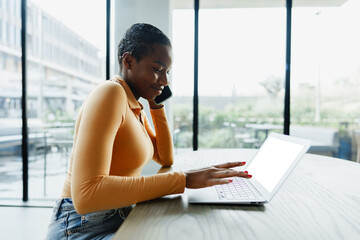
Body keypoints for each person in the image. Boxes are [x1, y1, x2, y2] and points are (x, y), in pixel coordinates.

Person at [45, 23, 252, 240]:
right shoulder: (110, 93)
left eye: (167, 72)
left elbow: (164, 157)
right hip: (83, 226)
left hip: (118, 215)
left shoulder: (133, 105)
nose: (165, 80)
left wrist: (155, 104)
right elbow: (87, 195)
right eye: (157, 69)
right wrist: (184, 180)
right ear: (128, 61)